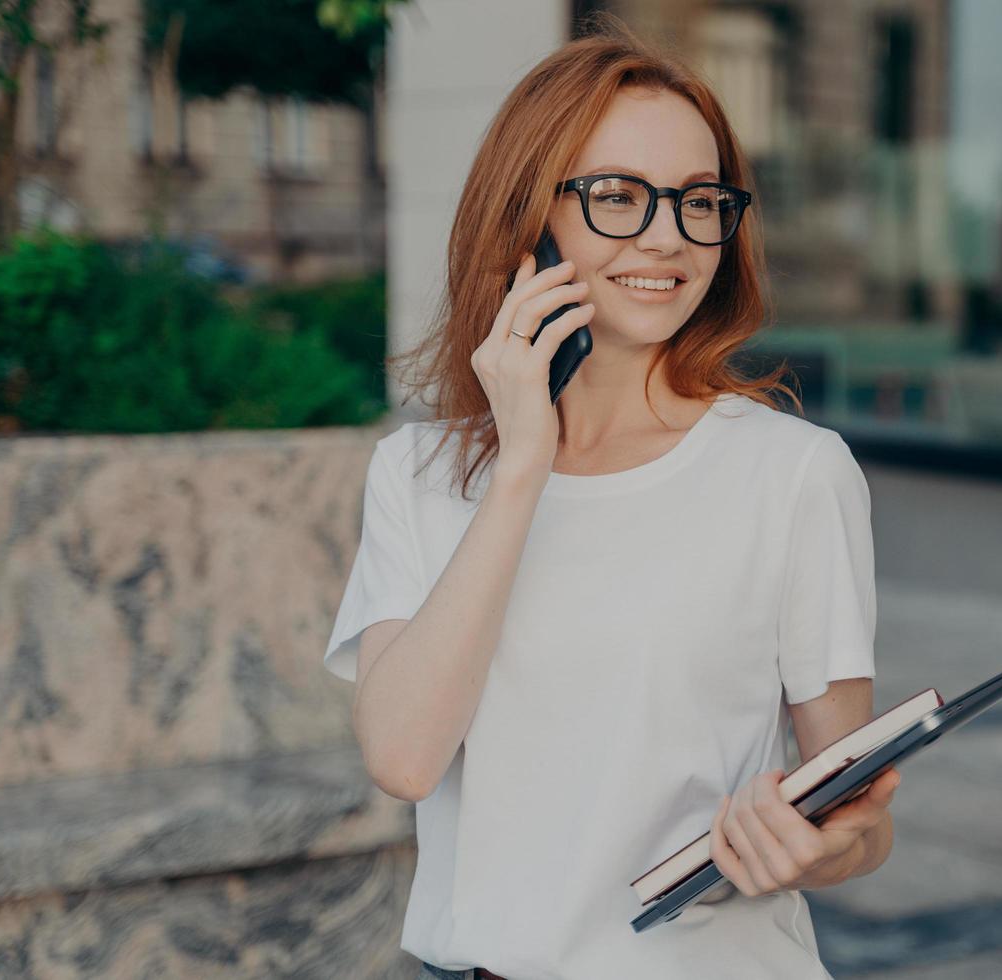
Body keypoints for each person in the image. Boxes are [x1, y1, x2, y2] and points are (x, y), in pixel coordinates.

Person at [323, 15, 901, 980]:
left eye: (698, 200)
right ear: (528, 220)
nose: (669, 238)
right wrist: (522, 467)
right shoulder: (419, 475)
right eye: (618, 196)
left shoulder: (794, 473)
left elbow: (858, 813)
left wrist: (820, 847)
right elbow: (404, 757)